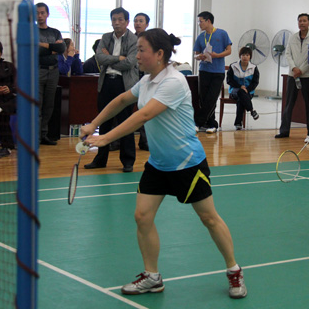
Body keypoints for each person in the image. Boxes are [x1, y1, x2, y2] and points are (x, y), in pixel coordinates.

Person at [81, 28, 247, 299]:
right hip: (158, 164)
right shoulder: (147, 81)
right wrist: (94, 124)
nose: (137, 55)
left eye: (141, 50)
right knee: (142, 216)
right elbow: (122, 100)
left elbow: (143, 115)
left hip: (187, 163)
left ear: (159, 54)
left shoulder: (173, 82)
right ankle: (152, 276)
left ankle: (234, 270)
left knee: (209, 218)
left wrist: (104, 138)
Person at [84, 7, 138, 172]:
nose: (117, 23)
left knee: (126, 123)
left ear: (127, 22)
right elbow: (99, 58)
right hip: (106, 82)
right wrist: (117, 58)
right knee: (104, 122)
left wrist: (110, 60)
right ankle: (100, 159)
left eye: (120, 19)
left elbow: (129, 62)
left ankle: (128, 161)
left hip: (124, 84)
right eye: (114, 19)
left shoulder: (134, 39)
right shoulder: (106, 37)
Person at [275, 13, 309, 139]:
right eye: (300, 21)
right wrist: (294, 68)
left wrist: (302, 70)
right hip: (293, 75)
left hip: (308, 76)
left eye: (304, 21)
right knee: (288, 104)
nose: (302, 23)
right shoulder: (292, 37)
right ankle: (284, 131)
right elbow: (288, 54)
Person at [193, 11, 232, 133]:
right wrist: (200, 56)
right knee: (204, 99)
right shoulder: (201, 37)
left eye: (200, 21)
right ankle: (212, 124)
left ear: (208, 21)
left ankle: (198, 122)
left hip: (218, 71)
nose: (199, 24)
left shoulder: (222, 33)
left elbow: (229, 50)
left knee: (212, 97)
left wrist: (217, 55)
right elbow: (196, 54)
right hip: (204, 70)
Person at [36, 2, 66, 146]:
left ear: (47, 14)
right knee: (37, 104)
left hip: (53, 71)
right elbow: (35, 51)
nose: (40, 15)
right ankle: (35, 136)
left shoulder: (55, 32)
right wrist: (52, 48)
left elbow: (62, 48)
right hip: (38, 70)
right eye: (37, 13)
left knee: (49, 105)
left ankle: (44, 134)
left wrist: (44, 45)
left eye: (42, 13)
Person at [226, 46, 260, 130]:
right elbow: (229, 80)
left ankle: (238, 123)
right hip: (234, 91)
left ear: (250, 57)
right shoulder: (233, 66)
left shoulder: (254, 68)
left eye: (247, 55)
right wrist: (240, 87)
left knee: (241, 98)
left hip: (248, 92)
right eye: (243, 55)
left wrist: (247, 89)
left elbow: (255, 82)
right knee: (240, 92)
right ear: (240, 56)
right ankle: (252, 110)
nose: (245, 57)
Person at [134, 12, 150, 151]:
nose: (137, 23)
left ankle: (145, 141)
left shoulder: (150, 40)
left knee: (145, 108)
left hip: (146, 77)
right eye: (136, 21)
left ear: (147, 24)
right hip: (131, 77)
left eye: (140, 21)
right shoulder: (129, 38)